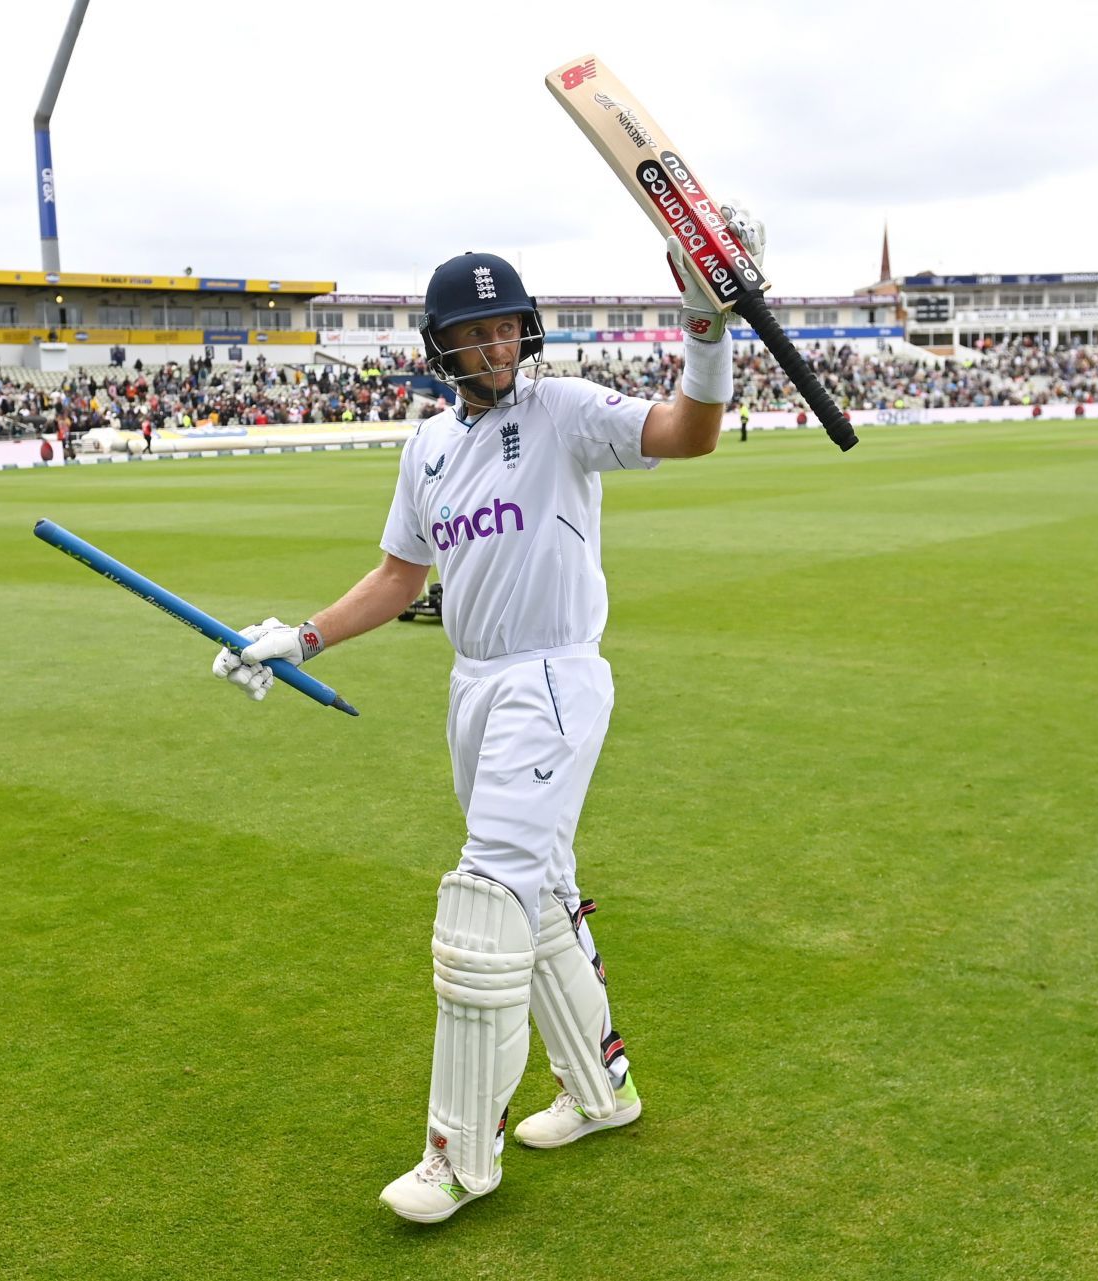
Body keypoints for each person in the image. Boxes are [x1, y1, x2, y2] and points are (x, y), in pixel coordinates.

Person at [209, 227, 755, 1223]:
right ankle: (602, 1092)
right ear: (440, 347)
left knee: (482, 903)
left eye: (508, 330)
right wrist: (301, 638)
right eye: (476, 334)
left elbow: (688, 432)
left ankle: (461, 1157)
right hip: (475, 686)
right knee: (539, 897)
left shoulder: (561, 409)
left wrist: (707, 328)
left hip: (553, 676)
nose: (497, 349)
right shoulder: (426, 446)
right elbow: (398, 577)